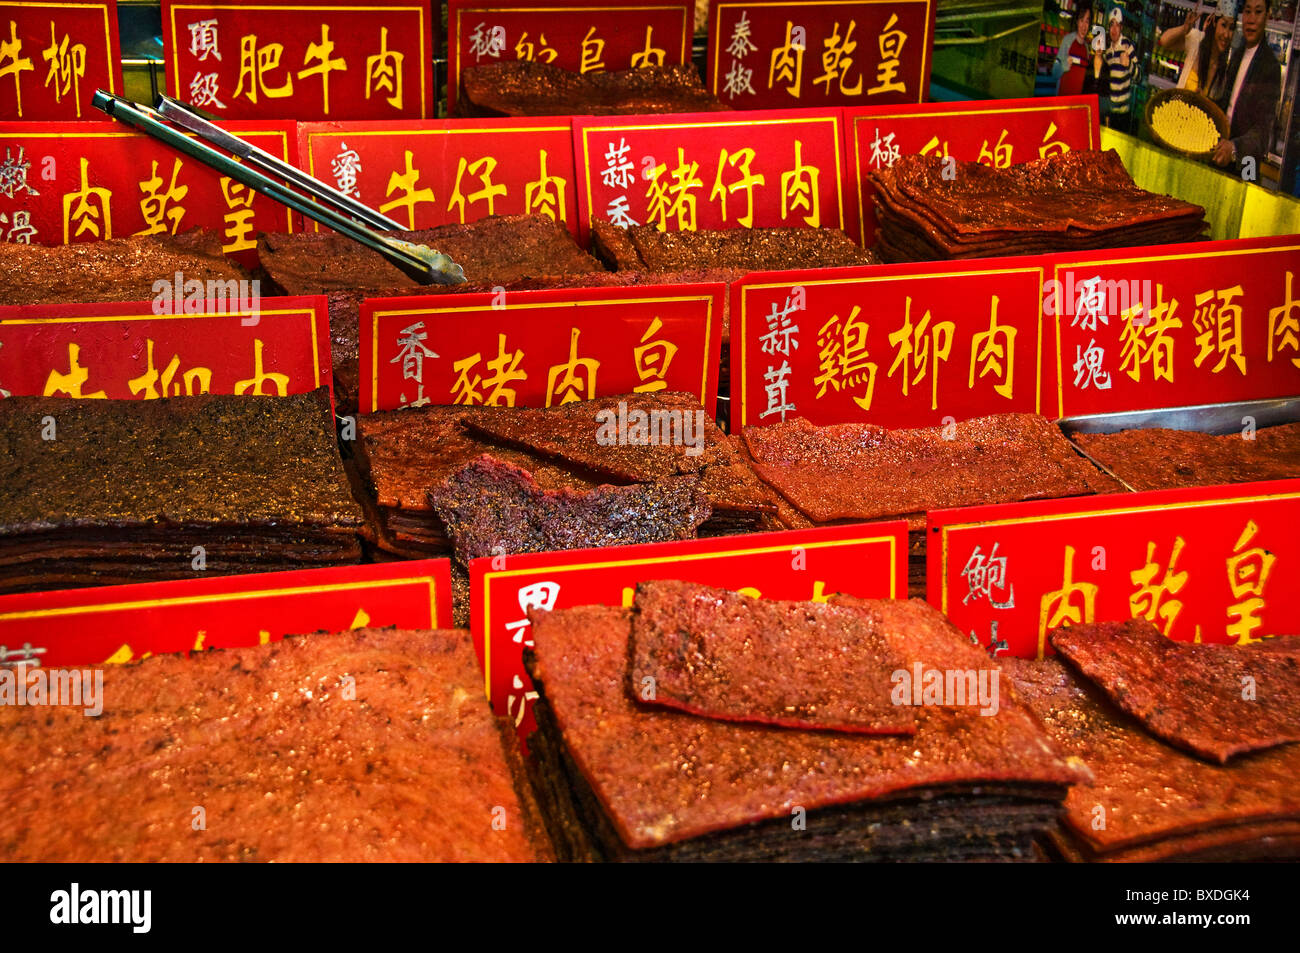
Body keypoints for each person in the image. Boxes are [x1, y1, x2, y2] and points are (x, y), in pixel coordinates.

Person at [1212, 0, 1281, 169]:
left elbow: (1263, 132)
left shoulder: (1270, 66)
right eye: (1247, 11)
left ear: (1267, 16)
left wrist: (1234, 148)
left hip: (1245, 165)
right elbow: (1227, 105)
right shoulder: (1237, 54)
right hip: (1221, 153)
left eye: (1258, 12)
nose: (1251, 19)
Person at [1158, 3, 1234, 100]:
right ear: (1214, 22)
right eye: (1223, 25)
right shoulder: (1198, 40)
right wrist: (1183, 29)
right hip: (1176, 111)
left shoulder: (1224, 69)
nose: (1226, 35)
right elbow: (1164, 41)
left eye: (1231, 28)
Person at [1102, 7, 1138, 132]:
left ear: (1121, 27)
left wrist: (1129, 65)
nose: (1114, 29)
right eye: (1112, 25)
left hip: (1123, 115)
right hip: (1109, 112)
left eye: (1118, 25)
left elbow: (1139, 76)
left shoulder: (1127, 46)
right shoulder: (1107, 51)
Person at [1053, 6, 1094, 95]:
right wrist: (1063, 66)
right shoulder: (1068, 40)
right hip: (1062, 101)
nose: (1084, 26)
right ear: (1077, 22)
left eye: (1087, 21)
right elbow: (1054, 73)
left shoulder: (1086, 48)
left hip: (1076, 103)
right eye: (1081, 20)